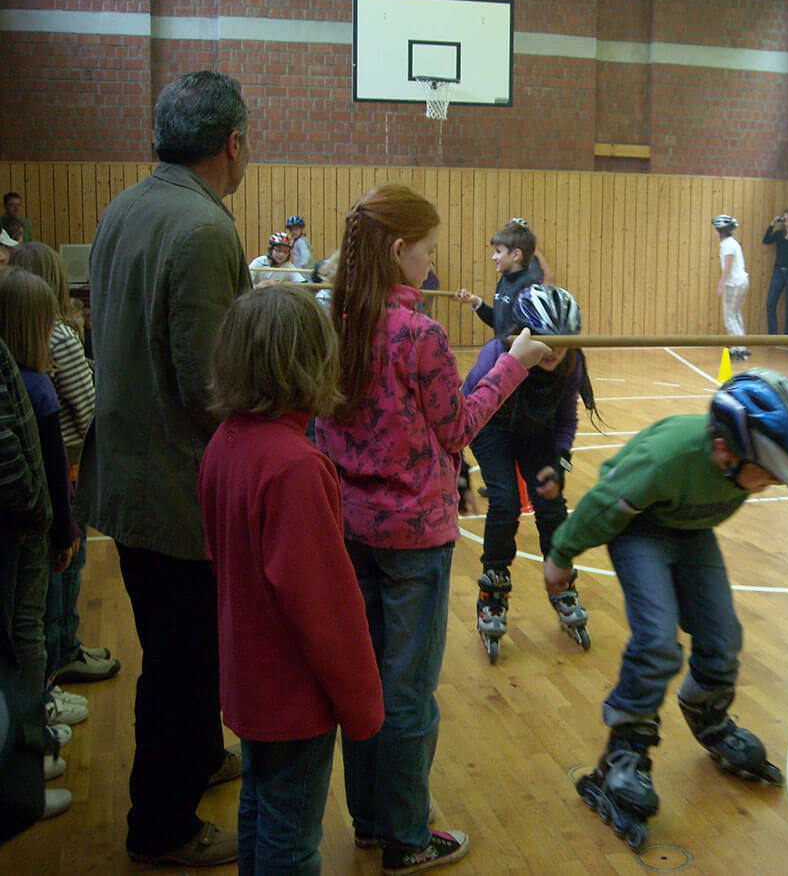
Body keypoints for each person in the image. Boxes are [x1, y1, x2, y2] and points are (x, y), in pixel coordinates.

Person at [315, 184, 549, 874]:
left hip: (348, 528)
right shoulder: (418, 333)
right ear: (398, 251)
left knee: (364, 682)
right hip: (413, 538)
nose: (432, 261)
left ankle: (371, 819)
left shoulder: (336, 318)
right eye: (427, 250)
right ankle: (407, 836)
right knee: (408, 692)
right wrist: (516, 363)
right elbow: (459, 428)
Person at [544, 369, 788, 850]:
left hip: (691, 527)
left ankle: (709, 715)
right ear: (724, 450)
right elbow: (603, 506)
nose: (768, 484)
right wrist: (561, 554)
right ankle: (623, 755)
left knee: (723, 638)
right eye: (764, 473)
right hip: (637, 525)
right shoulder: (668, 458)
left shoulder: (755, 454)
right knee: (657, 642)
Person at [78, 69, 252, 867]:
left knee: (181, 649)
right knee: (181, 660)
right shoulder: (204, 229)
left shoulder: (125, 206)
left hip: (130, 475)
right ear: (233, 143)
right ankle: (162, 826)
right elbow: (209, 387)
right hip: (179, 491)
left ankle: (197, 757)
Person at [199, 285, 384, 876]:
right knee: (291, 840)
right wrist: (362, 705)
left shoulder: (225, 443)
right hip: (292, 695)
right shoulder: (296, 467)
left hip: (249, 679)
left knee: (260, 806)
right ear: (311, 361)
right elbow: (326, 608)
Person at [464, 283, 598, 663]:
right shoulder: (496, 354)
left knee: (553, 506)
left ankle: (562, 586)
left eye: (563, 341)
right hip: (491, 426)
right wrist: (454, 464)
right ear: (521, 333)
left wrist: (560, 459)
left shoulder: (572, 363)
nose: (555, 351)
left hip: (536, 432)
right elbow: (462, 409)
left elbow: (567, 418)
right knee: (504, 503)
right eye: (544, 340)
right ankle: (493, 593)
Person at [8, 243, 115, 694]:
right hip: (68, 468)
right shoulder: (59, 338)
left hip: (51, 471)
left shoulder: (22, 342)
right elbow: (87, 405)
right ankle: (62, 654)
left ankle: (62, 650)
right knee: (67, 569)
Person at [0, 267, 80, 819]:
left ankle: (29, 747)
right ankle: (25, 756)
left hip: (31, 525)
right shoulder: (37, 386)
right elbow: (40, 467)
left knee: (25, 633)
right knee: (22, 638)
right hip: (27, 528)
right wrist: (57, 526)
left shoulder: (24, 379)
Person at [453, 221, 542, 339]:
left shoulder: (529, 286)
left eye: (498, 252)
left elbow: (530, 331)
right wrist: (476, 301)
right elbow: (498, 323)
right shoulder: (504, 280)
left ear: (516, 255)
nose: (493, 257)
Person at [712, 214, 750, 361]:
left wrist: (720, 285)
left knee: (729, 317)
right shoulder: (732, 242)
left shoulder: (727, 244)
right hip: (742, 281)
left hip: (734, 283)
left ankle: (740, 348)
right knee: (735, 314)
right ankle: (739, 345)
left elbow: (727, 267)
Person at [762, 208, 788, 334]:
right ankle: (772, 334)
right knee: (771, 303)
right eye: (784, 218)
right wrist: (772, 225)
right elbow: (766, 240)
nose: (785, 221)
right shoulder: (779, 234)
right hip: (779, 272)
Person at [506, 216, 554, 284]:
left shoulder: (528, 243)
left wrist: (548, 272)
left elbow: (540, 257)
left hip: (533, 276)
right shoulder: (512, 244)